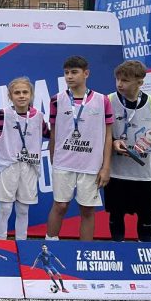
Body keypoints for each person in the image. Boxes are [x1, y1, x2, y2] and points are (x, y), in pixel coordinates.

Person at [46, 55, 113, 241]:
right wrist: (54, 159)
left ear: (86, 73)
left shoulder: (102, 100)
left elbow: (108, 136)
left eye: (74, 72)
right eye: (66, 73)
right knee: (59, 206)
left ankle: (85, 252)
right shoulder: (56, 100)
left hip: (90, 165)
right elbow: (53, 133)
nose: (69, 76)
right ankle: (49, 246)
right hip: (63, 163)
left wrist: (106, 167)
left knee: (87, 209)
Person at [106, 60, 151, 242]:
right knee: (116, 215)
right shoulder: (108, 100)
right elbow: (103, 135)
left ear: (139, 82)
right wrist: (114, 143)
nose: (119, 84)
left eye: (125, 80)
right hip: (116, 172)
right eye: (117, 79)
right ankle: (118, 250)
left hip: (143, 173)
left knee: (146, 217)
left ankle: (144, 251)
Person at [0, 77, 50, 240]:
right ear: (10, 96)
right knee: (5, 208)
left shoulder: (38, 116)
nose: (21, 96)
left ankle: (21, 243)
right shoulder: (2, 115)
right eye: (17, 93)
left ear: (31, 95)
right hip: (8, 166)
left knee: (23, 209)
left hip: (30, 167)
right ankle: (1, 242)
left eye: (25, 92)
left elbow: (49, 134)